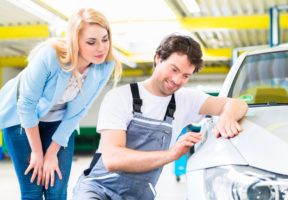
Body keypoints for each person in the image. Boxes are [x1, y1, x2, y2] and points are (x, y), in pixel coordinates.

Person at [71, 33, 248, 200]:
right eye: (173, 69)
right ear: (158, 58)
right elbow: (112, 159)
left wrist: (227, 116)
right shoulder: (121, 97)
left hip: (139, 195)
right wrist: (171, 154)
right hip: (98, 191)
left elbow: (238, 104)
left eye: (185, 76)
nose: (177, 80)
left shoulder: (186, 99)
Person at [0, 8, 121, 200]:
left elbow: (79, 110)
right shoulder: (50, 57)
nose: (101, 48)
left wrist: (52, 153)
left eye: (105, 39)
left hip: (58, 121)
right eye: (91, 42)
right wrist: (38, 153)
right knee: (32, 190)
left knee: (56, 191)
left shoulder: (105, 66)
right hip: (21, 120)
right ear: (75, 41)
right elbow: (27, 104)